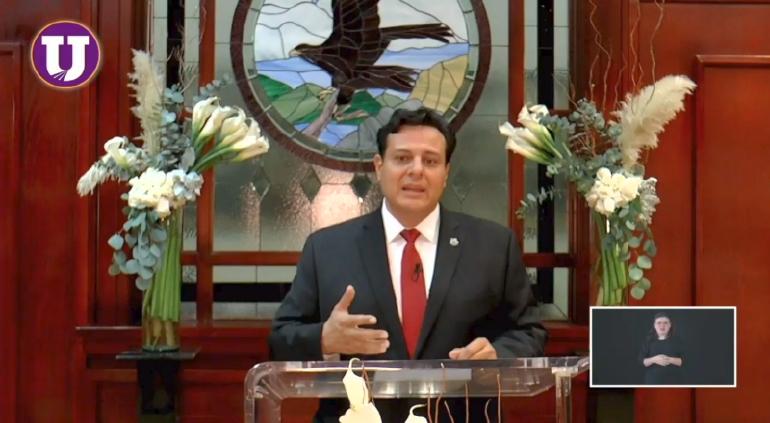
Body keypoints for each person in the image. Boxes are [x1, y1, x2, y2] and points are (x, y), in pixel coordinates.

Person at [269, 107, 547, 422]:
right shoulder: (327, 248)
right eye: (402, 159)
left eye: (430, 161)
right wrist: (324, 339)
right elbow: (280, 339)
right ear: (379, 167)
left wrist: (498, 355)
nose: (416, 171)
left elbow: (528, 332)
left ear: (446, 172)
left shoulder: (493, 245)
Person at [638, 312, 684, 385]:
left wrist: (669, 359)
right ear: (654, 325)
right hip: (652, 382)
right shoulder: (648, 342)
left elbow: (684, 361)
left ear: (670, 325)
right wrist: (654, 359)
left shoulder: (677, 341)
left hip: (674, 382)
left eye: (665, 323)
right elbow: (642, 361)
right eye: (659, 323)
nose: (662, 325)